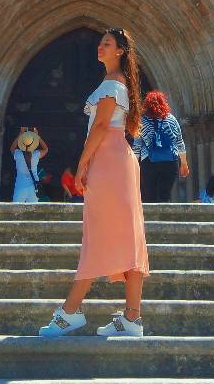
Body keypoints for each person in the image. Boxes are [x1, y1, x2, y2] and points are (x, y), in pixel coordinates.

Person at [39, 28, 149, 338]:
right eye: (101, 42)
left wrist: (82, 163)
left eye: (107, 43)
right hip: (118, 159)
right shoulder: (117, 83)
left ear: (120, 51)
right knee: (127, 237)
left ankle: (70, 313)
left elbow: (101, 126)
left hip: (109, 158)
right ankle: (131, 318)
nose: (100, 46)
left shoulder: (113, 84)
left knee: (99, 234)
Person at [134, 90, 190, 203]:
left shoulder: (142, 121)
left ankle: (150, 220)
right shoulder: (171, 119)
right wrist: (184, 164)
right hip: (170, 162)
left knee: (149, 197)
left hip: (149, 162)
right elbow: (180, 142)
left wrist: (134, 166)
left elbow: (137, 147)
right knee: (165, 196)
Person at [11, 127, 48, 203]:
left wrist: (20, 134)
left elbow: (12, 148)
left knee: (16, 211)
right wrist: (37, 136)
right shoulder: (36, 155)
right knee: (33, 212)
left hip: (20, 186)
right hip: (33, 187)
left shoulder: (18, 154)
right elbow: (46, 149)